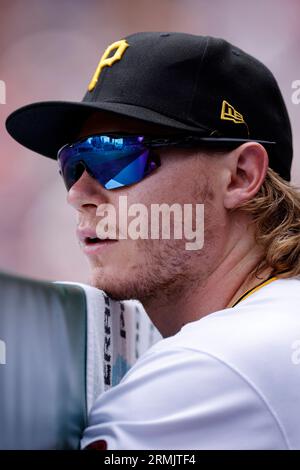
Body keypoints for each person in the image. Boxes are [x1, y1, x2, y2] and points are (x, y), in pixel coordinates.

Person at [6, 32, 300, 450]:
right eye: (73, 164)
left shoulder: (215, 365)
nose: (77, 194)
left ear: (240, 176)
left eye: (117, 157)